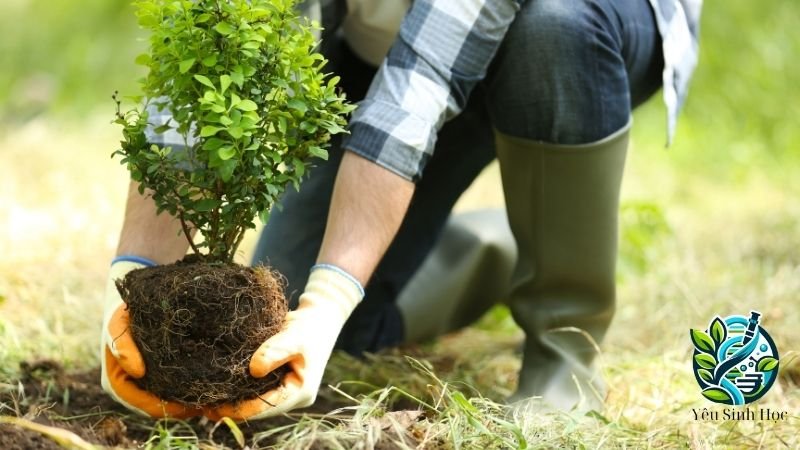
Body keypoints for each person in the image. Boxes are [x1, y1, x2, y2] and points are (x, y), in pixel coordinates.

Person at [101, 0, 702, 420]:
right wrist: (129, 285)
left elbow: (418, 88)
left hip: (577, 34)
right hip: (378, 39)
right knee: (304, 331)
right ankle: (506, 247)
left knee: (553, 26)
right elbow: (226, 39)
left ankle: (563, 347)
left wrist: (330, 294)